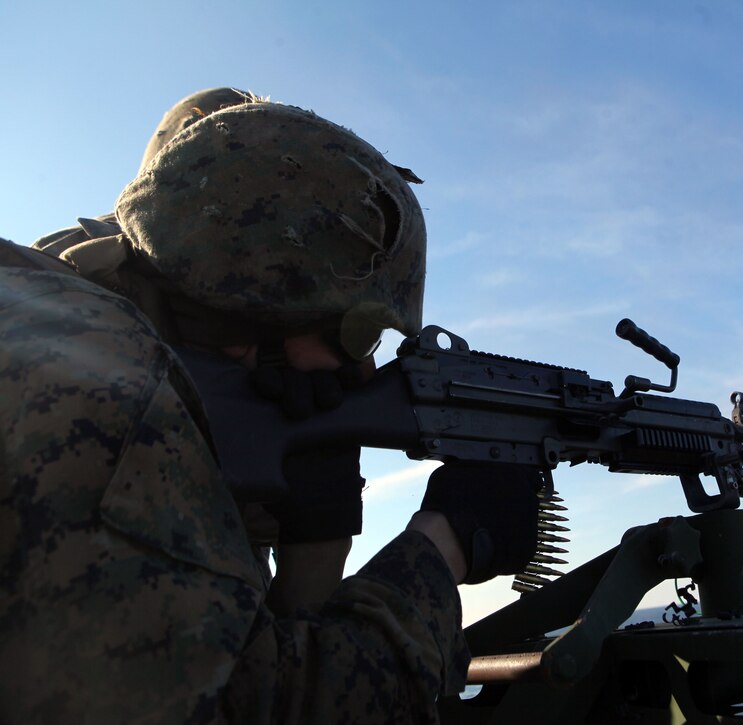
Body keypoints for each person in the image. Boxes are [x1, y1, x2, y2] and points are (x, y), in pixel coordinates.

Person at [1, 96, 540, 723]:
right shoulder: (112, 405)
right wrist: (441, 544)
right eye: (357, 334)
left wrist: (317, 529)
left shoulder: (60, 321)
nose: (364, 370)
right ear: (254, 302)